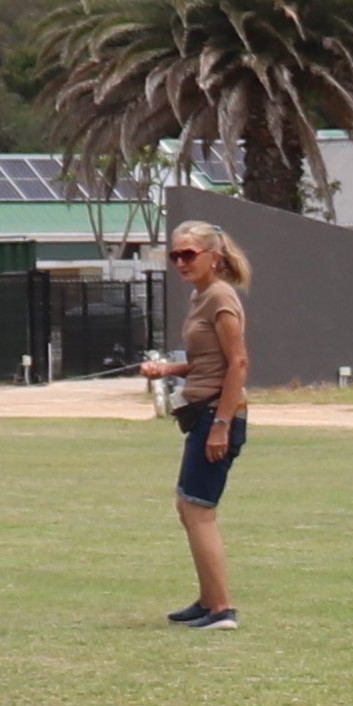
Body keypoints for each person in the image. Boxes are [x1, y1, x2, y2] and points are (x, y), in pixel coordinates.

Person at [133, 222, 247, 629]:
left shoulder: (220, 296)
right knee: (188, 507)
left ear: (213, 257)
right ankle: (208, 599)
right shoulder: (200, 297)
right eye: (175, 255)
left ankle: (222, 610)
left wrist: (221, 424)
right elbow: (205, 362)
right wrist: (167, 369)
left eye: (188, 255)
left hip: (217, 415)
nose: (180, 262)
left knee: (199, 510)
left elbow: (238, 363)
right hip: (201, 413)